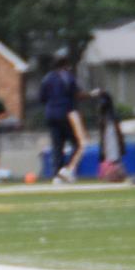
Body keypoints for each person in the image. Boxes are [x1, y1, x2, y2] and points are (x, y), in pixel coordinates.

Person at [40, 54, 83, 183]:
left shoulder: (46, 78)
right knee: (77, 143)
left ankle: (57, 175)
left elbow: (41, 97)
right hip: (66, 113)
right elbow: (75, 94)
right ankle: (67, 169)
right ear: (66, 64)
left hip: (50, 114)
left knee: (57, 145)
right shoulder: (68, 77)